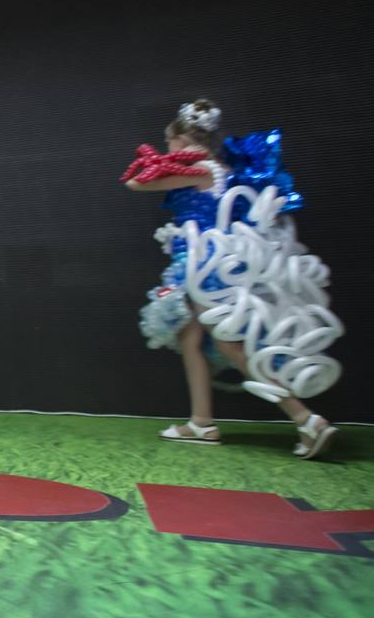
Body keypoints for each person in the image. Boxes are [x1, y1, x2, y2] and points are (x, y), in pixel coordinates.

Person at [124, 99, 339, 459]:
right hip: (203, 262)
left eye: (170, 143)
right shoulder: (220, 166)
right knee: (190, 335)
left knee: (229, 344)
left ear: (183, 140)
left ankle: (306, 419)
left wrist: (167, 162)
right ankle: (201, 422)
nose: (168, 150)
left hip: (205, 264)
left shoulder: (203, 168)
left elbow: (135, 183)